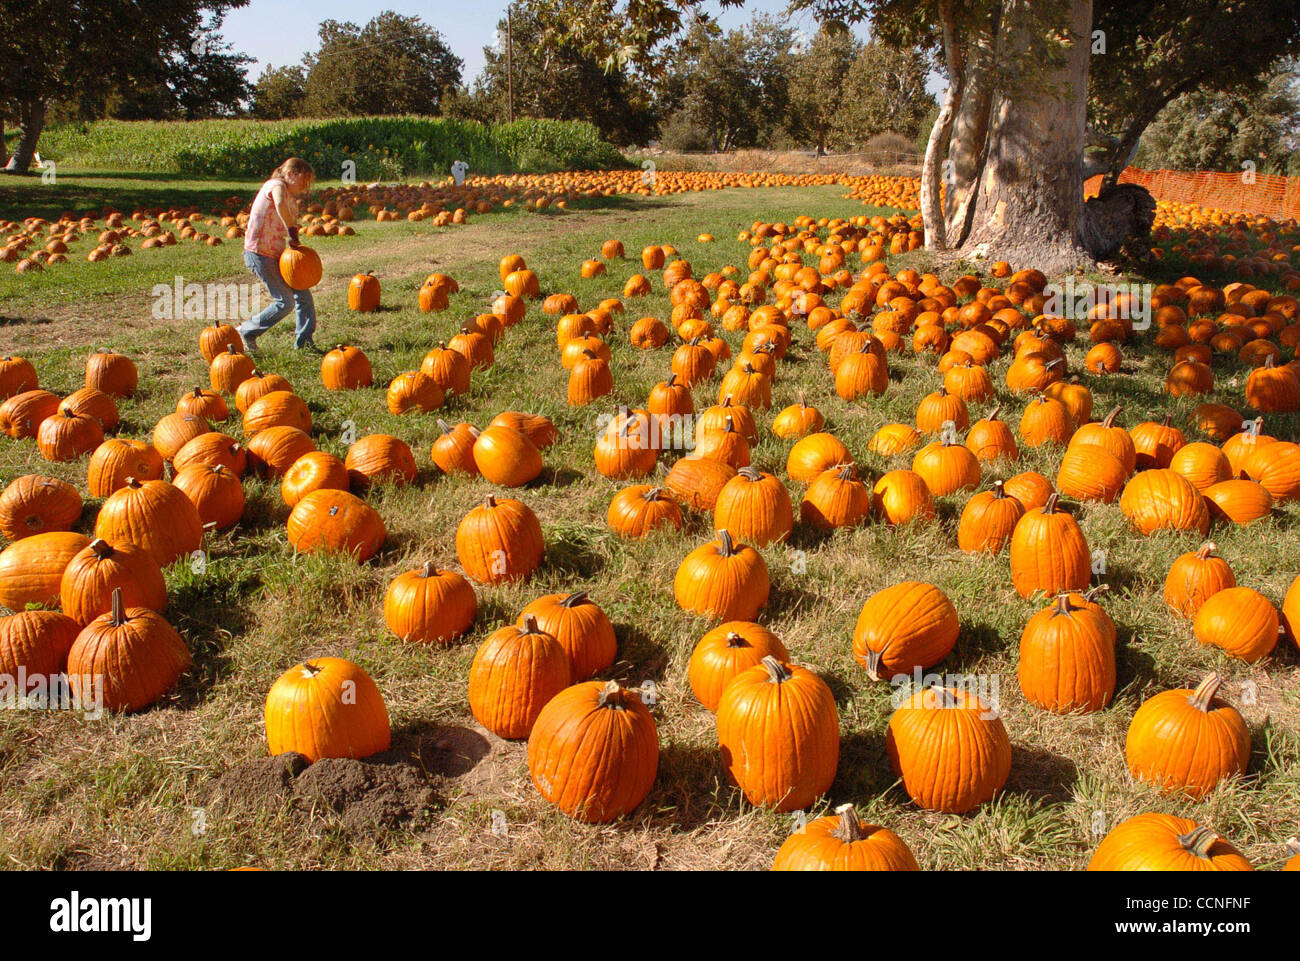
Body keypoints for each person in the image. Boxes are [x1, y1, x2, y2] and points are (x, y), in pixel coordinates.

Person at [238, 157, 318, 351]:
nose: (306, 185)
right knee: (285, 302)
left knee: (303, 294)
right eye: (303, 180)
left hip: (278, 255)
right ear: (290, 173)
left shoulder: (289, 195)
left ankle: (305, 343)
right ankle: (246, 331)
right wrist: (292, 231)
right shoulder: (276, 185)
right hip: (259, 254)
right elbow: (280, 203)